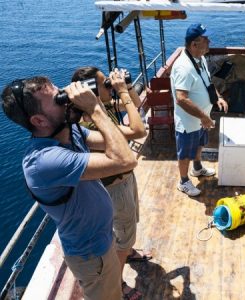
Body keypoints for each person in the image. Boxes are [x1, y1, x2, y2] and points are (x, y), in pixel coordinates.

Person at [1, 76, 139, 300]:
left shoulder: (71, 132)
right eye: (59, 99)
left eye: (60, 91)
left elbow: (121, 140)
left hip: (103, 239)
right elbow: (125, 159)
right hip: (92, 254)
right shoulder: (44, 161)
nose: (67, 99)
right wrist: (94, 108)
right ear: (39, 121)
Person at [71, 67, 147, 300]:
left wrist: (128, 88)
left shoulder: (103, 110)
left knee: (128, 226)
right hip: (114, 190)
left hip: (125, 181)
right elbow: (138, 130)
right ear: (92, 92)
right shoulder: (91, 123)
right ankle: (119, 282)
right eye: (105, 84)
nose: (110, 87)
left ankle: (128, 249)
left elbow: (138, 106)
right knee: (122, 235)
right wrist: (121, 91)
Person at [170, 23, 228, 196]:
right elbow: (181, 98)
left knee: (200, 144)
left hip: (202, 118)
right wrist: (203, 116)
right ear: (194, 44)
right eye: (205, 39)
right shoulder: (183, 67)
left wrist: (218, 97)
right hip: (189, 122)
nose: (209, 41)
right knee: (185, 153)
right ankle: (184, 182)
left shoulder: (200, 58)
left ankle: (197, 169)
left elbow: (207, 83)